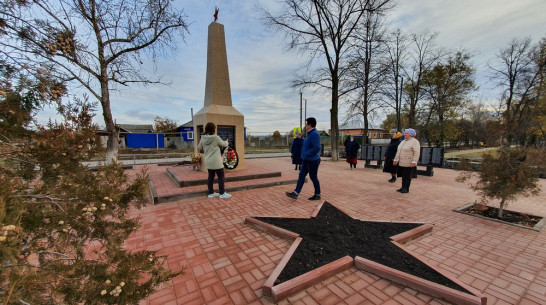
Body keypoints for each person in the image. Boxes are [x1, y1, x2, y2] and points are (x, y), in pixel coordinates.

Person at [286, 117, 321, 200]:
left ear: (310, 125)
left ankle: (318, 194)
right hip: (306, 160)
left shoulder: (314, 134)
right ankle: (295, 193)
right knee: (301, 176)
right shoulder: (310, 134)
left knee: (313, 177)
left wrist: (306, 153)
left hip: (312, 161)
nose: (305, 125)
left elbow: (317, 148)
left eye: (306, 124)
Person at [197, 122, 232, 198]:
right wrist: (226, 141)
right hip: (216, 161)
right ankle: (222, 193)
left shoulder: (202, 138)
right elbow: (224, 144)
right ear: (213, 130)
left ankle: (211, 193)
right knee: (221, 176)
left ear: (206, 129)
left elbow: (199, 148)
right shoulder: (216, 138)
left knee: (211, 177)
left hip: (208, 161)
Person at [393, 128, 421, 194]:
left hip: (409, 162)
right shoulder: (403, 141)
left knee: (407, 176)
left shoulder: (415, 142)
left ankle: (406, 188)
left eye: (406, 133)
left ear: (410, 134)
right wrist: (395, 160)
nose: (404, 134)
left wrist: (414, 161)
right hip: (401, 162)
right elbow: (398, 151)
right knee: (403, 175)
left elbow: (417, 152)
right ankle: (402, 187)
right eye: (405, 133)